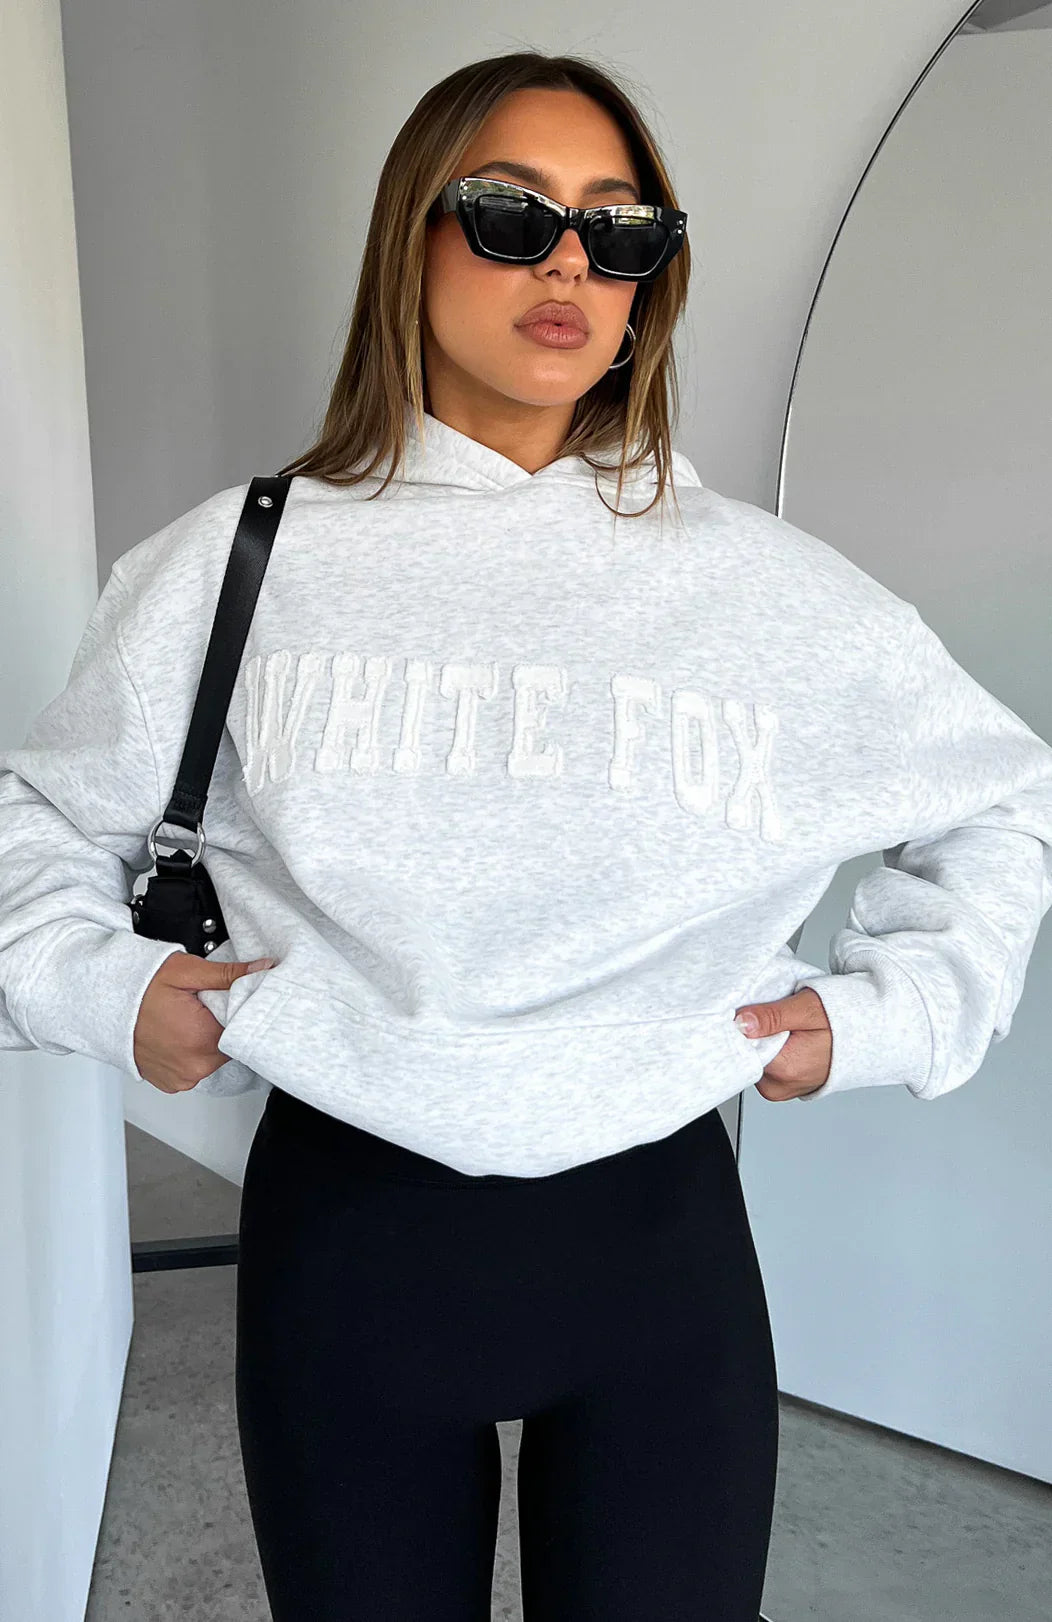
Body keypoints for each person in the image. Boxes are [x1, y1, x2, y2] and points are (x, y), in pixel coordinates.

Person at [2, 49, 1051, 1622]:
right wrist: (105, 985)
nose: (568, 264)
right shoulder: (239, 561)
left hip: (657, 1257)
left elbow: (1001, 793)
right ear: (410, 239)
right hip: (349, 1244)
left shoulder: (768, 591)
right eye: (512, 214)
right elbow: (37, 818)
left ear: (647, 285)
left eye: (618, 231)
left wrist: (887, 1013)